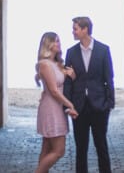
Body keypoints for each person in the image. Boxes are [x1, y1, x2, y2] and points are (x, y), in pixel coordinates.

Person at [63, 15, 114, 173]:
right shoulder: (71, 52)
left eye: (75, 28)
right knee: (81, 149)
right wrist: (68, 105)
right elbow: (68, 81)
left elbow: (109, 78)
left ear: (85, 29)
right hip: (79, 107)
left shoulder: (103, 50)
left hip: (99, 106)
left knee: (101, 146)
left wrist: (109, 104)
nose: (73, 31)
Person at [33, 31, 79, 172]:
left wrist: (72, 75)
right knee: (59, 151)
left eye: (59, 41)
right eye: (56, 41)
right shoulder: (45, 64)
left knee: (47, 148)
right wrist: (70, 105)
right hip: (51, 109)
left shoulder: (56, 63)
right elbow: (53, 90)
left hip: (57, 107)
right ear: (48, 44)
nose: (59, 44)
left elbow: (62, 85)